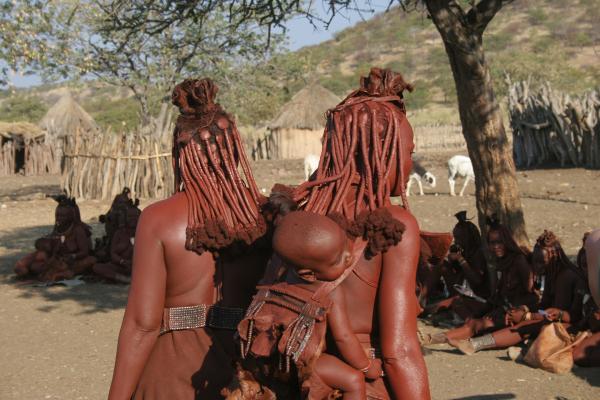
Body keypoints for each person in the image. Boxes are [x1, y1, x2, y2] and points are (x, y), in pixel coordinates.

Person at [107, 78, 270, 399]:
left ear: (180, 154)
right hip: (244, 382)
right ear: (234, 151)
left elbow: (142, 325)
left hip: (168, 380)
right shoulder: (266, 218)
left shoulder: (159, 219)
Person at [282, 67, 429, 399]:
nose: (409, 161)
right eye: (407, 151)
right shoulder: (392, 225)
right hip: (366, 382)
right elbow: (398, 351)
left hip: (304, 380)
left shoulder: (300, 218)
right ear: (381, 152)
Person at [239, 211, 383, 399]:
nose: (349, 256)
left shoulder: (279, 278)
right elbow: (344, 338)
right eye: (337, 259)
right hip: (305, 364)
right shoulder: (329, 291)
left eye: (345, 246)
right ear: (308, 274)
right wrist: (367, 367)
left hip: (270, 360)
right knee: (353, 380)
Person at [449, 230, 588, 355]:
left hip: (575, 326)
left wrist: (527, 316)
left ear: (554, 256)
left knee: (524, 325)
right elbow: (545, 305)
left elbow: (561, 315)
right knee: (516, 320)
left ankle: (474, 344)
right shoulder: (552, 274)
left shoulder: (565, 277)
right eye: (535, 261)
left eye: (541, 262)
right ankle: (470, 340)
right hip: (556, 320)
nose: (536, 266)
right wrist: (523, 310)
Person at [422, 218, 536, 348]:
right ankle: (430, 339)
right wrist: (485, 312)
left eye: (499, 242)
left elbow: (532, 295)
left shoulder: (518, 260)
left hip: (517, 313)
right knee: (472, 322)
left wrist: (520, 311)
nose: (496, 246)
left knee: (477, 323)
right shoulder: (503, 261)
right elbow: (499, 296)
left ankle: (465, 344)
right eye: (492, 243)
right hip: (503, 308)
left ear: (507, 241)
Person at [424, 211, 490, 320]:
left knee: (432, 310)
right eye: (456, 238)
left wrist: (461, 260)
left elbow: (477, 281)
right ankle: (423, 297)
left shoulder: (479, 253)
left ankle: (424, 309)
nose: (457, 241)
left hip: (473, 295)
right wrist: (453, 259)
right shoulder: (465, 249)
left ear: (468, 237)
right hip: (460, 289)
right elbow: (457, 271)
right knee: (442, 264)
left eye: (459, 238)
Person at [14, 195, 95, 281]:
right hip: (58, 258)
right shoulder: (59, 227)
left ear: (71, 216)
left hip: (73, 261)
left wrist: (72, 256)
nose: (59, 218)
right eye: (58, 215)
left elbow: (85, 252)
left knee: (90, 261)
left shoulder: (79, 230)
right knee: (37, 262)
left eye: (63, 216)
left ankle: (59, 273)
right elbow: (52, 244)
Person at [92, 203, 141, 283]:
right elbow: (113, 253)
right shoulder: (119, 233)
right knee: (97, 267)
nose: (133, 219)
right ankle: (122, 278)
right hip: (120, 266)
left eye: (135, 216)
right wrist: (122, 261)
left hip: (139, 267)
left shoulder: (144, 232)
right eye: (130, 216)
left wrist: (135, 262)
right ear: (125, 218)